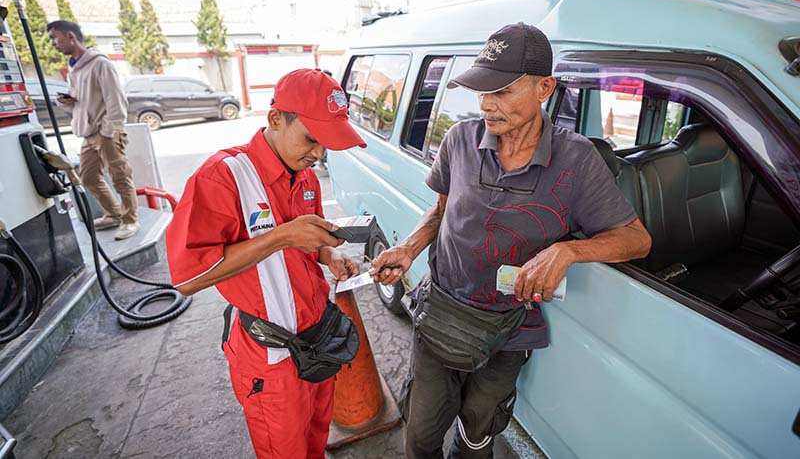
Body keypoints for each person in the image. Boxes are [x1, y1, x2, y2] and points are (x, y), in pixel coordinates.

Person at [370, 23, 652, 458]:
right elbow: (442, 211)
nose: (486, 104)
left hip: (508, 332)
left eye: (501, 91)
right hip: (441, 313)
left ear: (545, 88)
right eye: (482, 90)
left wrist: (570, 250)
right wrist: (409, 248)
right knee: (421, 435)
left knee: (479, 427)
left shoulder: (576, 159)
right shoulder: (460, 139)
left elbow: (635, 240)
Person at [165, 69, 365, 459]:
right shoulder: (222, 177)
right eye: (311, 139)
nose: (319, 155)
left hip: (318, 340)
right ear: (275, 119)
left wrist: (329, 254)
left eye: (326, 145)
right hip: (270, 358)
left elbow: (310, 239)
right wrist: (281, 236)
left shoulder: (305, 176)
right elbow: (188, 279)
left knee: (315, 440)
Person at [46, 20, 140, 240]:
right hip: (88, 133)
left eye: (54, 37)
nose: (53, 43)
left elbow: (116, 101)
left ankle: (130, 220)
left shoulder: (100, 63)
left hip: (106, 132)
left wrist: (108, 132)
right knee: (87, 177)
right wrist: (66, 101)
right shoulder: (74, 67)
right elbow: (81, 101)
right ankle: (114, 213)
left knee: (120, 177)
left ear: (70, 36)